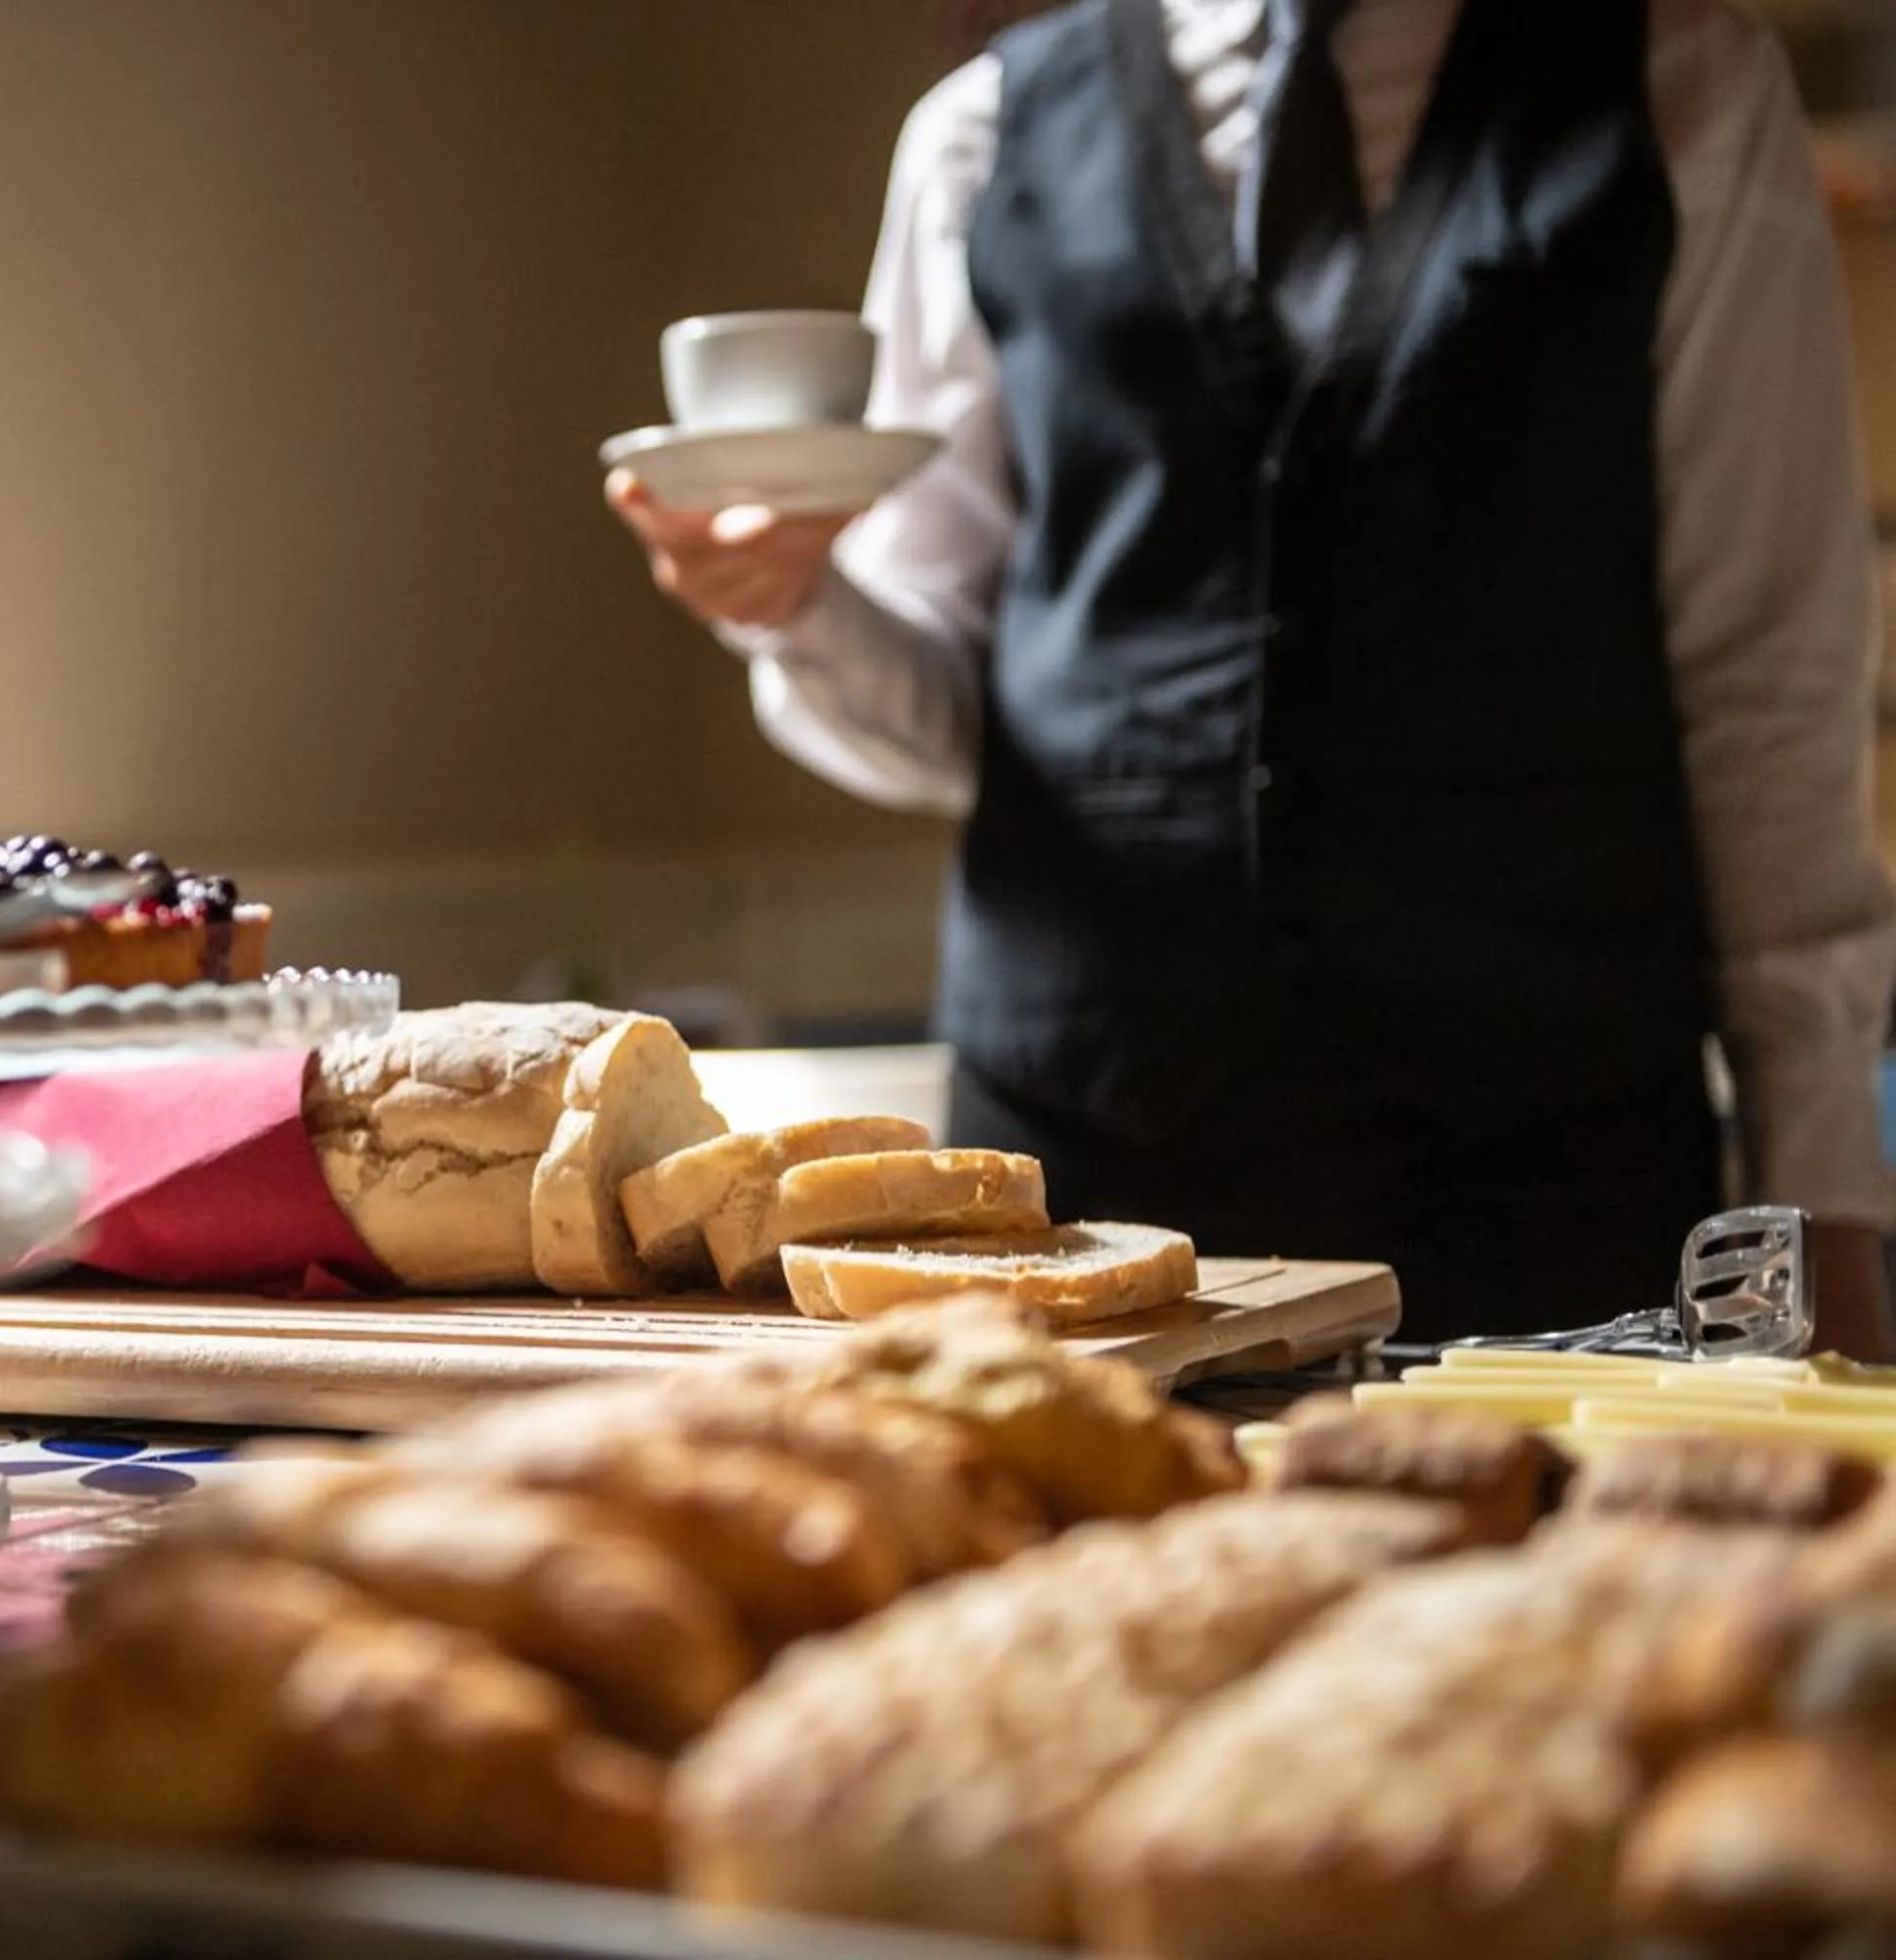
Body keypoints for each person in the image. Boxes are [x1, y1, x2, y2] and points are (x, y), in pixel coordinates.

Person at [611, 0, 1895, 1345]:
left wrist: (1822, 1196)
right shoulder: (978, 138)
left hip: (1544, 1176)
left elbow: (1768, 685)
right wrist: (798, 605)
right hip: (1070, 1181)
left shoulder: (1681, 85)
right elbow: (955, 722)